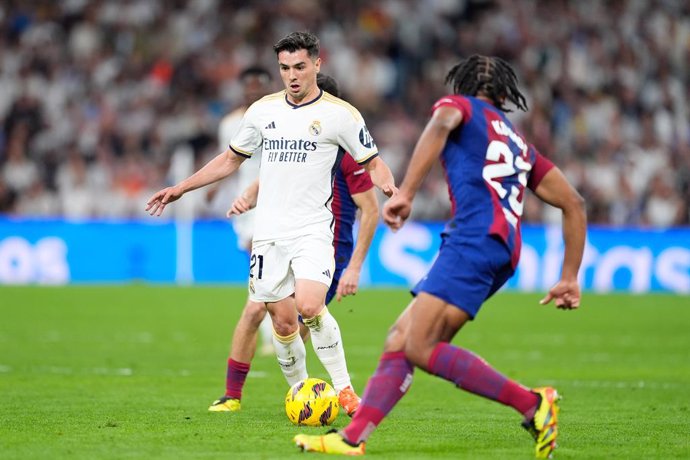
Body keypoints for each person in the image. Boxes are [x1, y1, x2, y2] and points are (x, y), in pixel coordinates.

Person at [294, 54, 587, 458]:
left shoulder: (458, 107)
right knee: (401, 338)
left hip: (473, 239)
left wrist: (408, 192)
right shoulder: (519, 142)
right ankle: (352, 438)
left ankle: (533, 405)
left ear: (462, 86)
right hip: (502, 248)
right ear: (504, 94)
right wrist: (570, 275)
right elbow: (574, 204)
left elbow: (441, 123)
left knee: (421, 345)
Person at [146, 31, 397, 416]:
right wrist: (182, 187)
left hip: (314, 230)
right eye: (284, 68)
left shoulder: (340, 115)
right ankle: (302, 393)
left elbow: (372, 159)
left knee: (310, 305)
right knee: (282, 324)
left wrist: (384, 177)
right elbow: (230, 160)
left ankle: (345, 391)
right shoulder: (263, 111)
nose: (292, 75)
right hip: (268, 234)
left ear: (317, 63)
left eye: (299, 66)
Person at [209, 74, 380, 414]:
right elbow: (273, 173)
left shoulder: (345, 152)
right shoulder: (295, 144)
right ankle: (239, 395)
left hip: (325, 246)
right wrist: (248, 196)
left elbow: (371, 209)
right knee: (267, 314)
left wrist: (356, 266)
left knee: (301, 317)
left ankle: (334, 391)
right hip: (280, 238)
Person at [209, 66, 276, 365]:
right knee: (259, 266)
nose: (254, 89)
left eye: (259, 84)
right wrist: (214, 186)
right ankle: (271, 333)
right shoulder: (231, 123)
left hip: (275, 199)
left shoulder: (280, 116)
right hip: (246, 204)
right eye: (249, 84)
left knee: (264, 267)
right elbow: (229, 159)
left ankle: (274, 332)